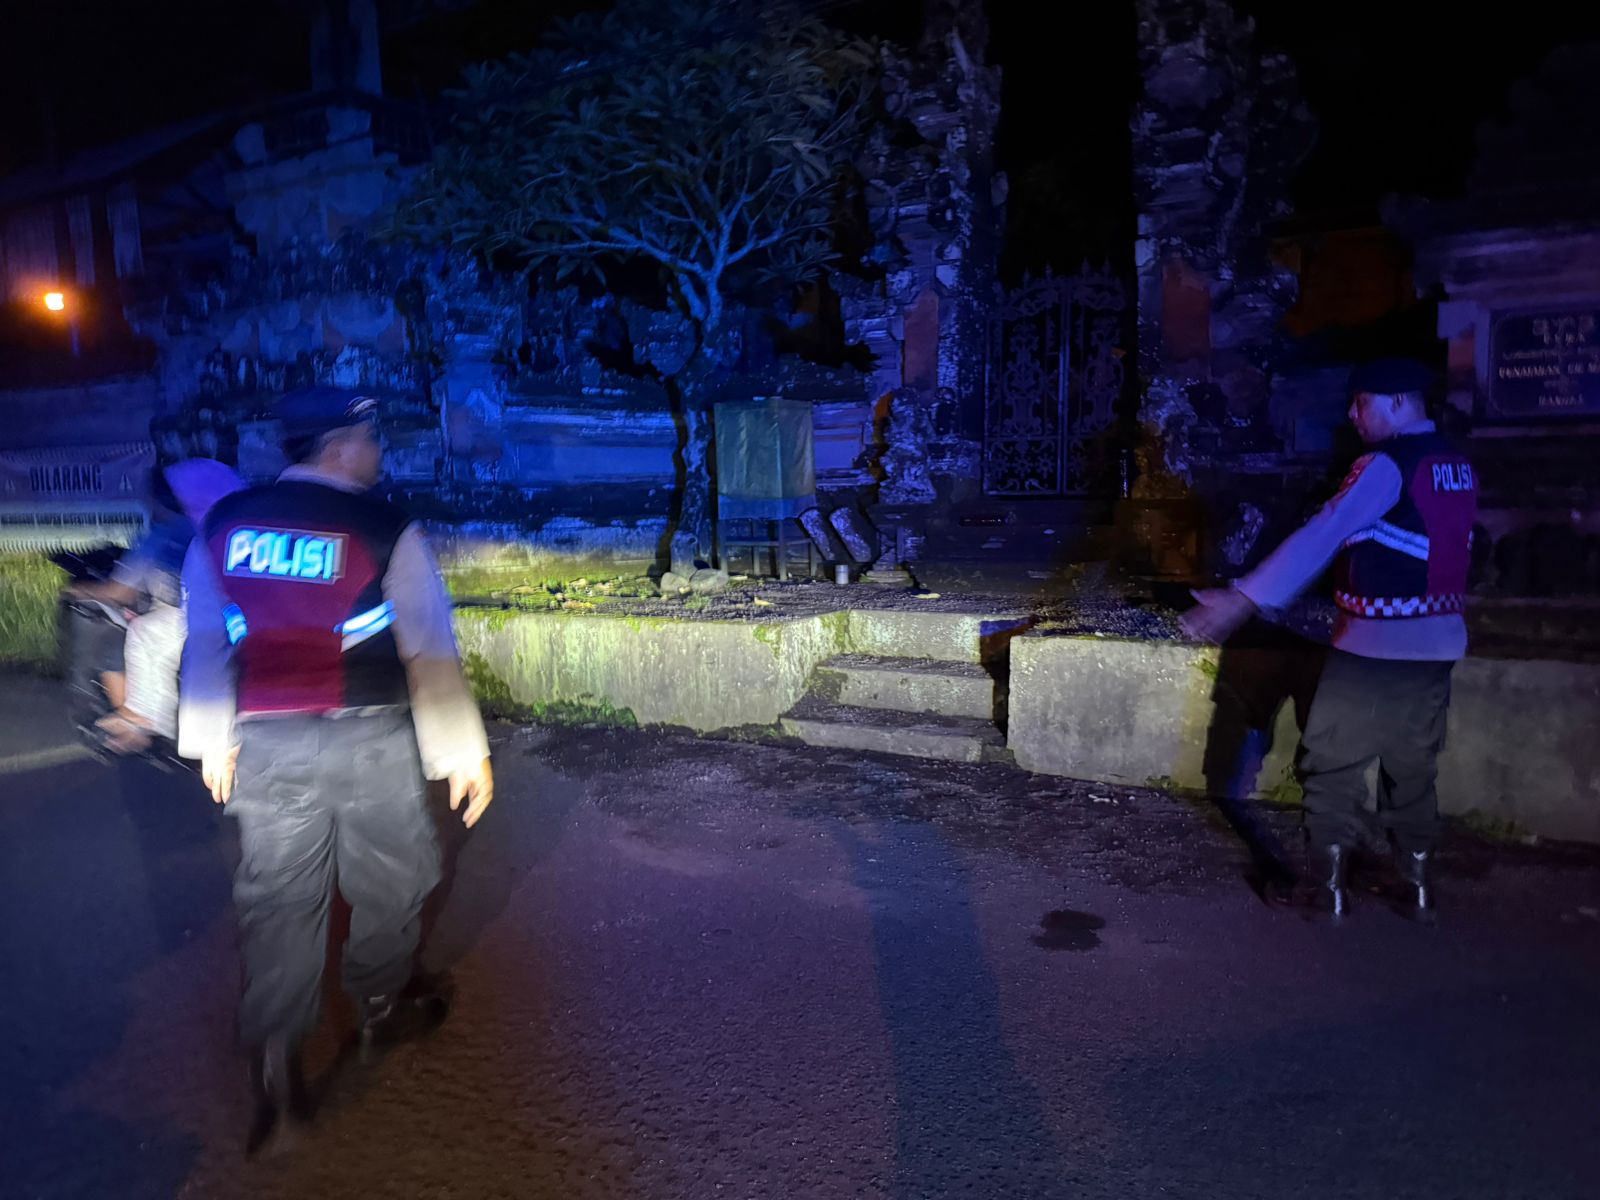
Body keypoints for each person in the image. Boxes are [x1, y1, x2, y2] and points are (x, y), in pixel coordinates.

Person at [178, 387, 494, 1155]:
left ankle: (276, 1076)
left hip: (266, 741)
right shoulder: (386, 527)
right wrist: (462, 752)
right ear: (339, 447)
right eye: (370, 437)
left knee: (279, 901)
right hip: (370, 737)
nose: (378, 451)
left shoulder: (224, 525)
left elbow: (207, 640)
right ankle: (381, 1008)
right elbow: (428, 647)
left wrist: (212, 740)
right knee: (394, 877)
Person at [1181, 358, 1477, 920]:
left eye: (1361, 402)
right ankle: (1415, 885)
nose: (1352, 414)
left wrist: (1244, 598)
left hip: (1375, 644)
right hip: (1437, 644)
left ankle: (1325, 890)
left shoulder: (1386, 465)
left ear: (1396, 402)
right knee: (1412, 767)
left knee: (1331, 765)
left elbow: (1324, 532)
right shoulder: (1453, 463)